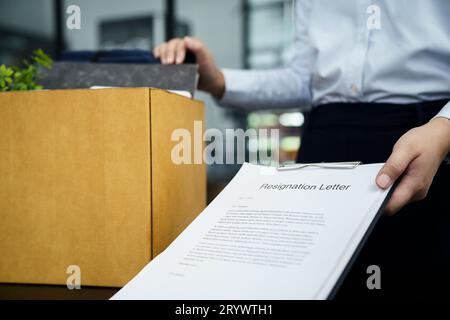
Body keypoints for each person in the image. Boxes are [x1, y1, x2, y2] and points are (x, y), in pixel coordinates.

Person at [154, 1, 450, 299]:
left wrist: (444, 129)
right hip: (324, 139)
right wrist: (219, 81)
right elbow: (304, 79)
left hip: (426, 141)